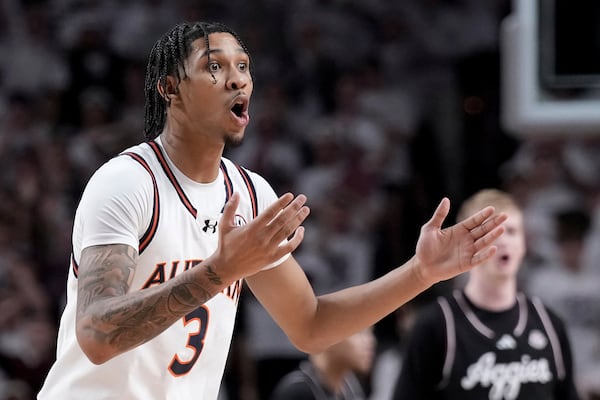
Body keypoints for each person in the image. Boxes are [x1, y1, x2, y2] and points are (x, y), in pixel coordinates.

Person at [37, 21, 507, 400]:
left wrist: (420, 273)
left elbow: (311, 325)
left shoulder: (249, 193)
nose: (239, 78)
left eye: (244, 66)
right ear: (170, 88)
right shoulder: (127, 181)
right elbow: (96, 334)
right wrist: (218, 272)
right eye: (215, 66)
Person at [391, 188, 581, 400]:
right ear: (468, 243)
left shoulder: (549, 323)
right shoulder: (436, 326)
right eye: (492, 232)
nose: (504, 241)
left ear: (523, 244)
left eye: (511, 231)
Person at [270, 328, 376, 400]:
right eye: (360, 332)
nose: (371, 341)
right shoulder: (296, 391)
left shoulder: (351, 385)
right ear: (329, 338)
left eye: (370, 332)